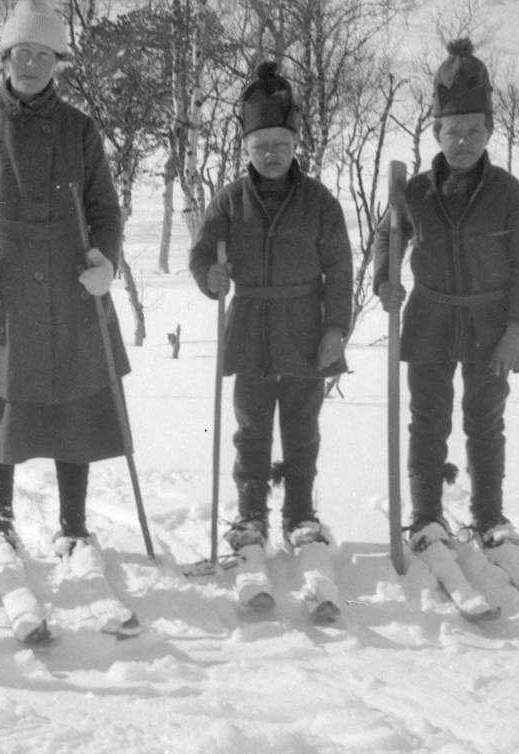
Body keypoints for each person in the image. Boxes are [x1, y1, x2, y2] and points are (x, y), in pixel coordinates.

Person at [0, 0, 127, 560]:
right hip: (3, 287)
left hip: (70, 286)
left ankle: (73, 524)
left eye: (43, 55)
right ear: (6, 57)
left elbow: (105, 209)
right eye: (22, 52)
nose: (30, 64)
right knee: (0, 408)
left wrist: (105, 263)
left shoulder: (80, 130)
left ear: (57, 63)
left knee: (76, 406)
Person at [374, 38, 519, 557]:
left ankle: (488, 516)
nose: (463, 141)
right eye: (453, 131)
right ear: (436, 133)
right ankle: (426, 518)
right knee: (428, 419)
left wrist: (516, 330)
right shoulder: (415, 191)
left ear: (489, 131)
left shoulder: (510, 194)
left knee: (485, 421)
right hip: (430, 317)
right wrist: (385, 280)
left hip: (491, 323)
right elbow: (386, 239)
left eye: (473, 130)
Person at [189, 61, 354, 551]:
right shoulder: (229, 201)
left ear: (295, 143)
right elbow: (202, 252)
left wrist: (335, 329)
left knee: (302, 427)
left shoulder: (319, 202)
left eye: (281, 143)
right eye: (260, 145)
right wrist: (209, 275)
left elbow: (340, 269)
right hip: (249, 327)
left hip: (304, 325)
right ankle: (251, 514)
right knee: (252, 428)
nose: (271, 153)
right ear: (246, 147)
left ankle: (300, 513)